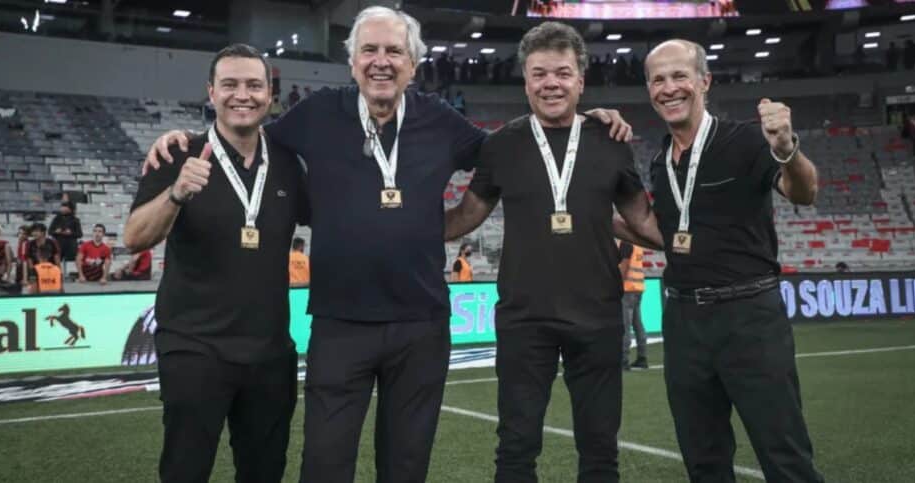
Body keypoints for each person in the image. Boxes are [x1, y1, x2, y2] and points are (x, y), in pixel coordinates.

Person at [142, 8, 632, 482]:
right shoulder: (316, 114)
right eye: (369, 49)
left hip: (420, 327)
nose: (382, 60)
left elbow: (516, 149)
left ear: (413, 64)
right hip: (339, 323)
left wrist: (585, 121)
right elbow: (243, 130)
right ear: (352, 61)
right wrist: (185, 137)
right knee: (326, 465)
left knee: (405, 467)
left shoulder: (440, 119)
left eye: (394, 50)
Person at [444, 22, 660, 483]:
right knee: (517, 447)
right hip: (525, 317)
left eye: (562, 73)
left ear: (581, 81)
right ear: (525, 81)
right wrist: (399, 229)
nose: (551, 83)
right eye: (539, 73)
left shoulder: (611, 140)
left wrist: (704, 240)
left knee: (600, 449)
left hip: (599, 312)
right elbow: (466, 216)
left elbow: (642, 221)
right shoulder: (501, 145)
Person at [123, 43, 309, 482]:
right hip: (194, 346)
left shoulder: (285, 162)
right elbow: (134, 238)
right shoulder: (177, 153)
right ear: (211, 92)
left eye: (253, 85)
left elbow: (337, 217)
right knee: (186, 470)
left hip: (269, 351)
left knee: (265, 472)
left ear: (269, 94)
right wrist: (176, 194)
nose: (241, 94)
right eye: (229, 84)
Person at [643, 39, 824, 482]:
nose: (669, 88)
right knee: (703, 460)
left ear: (704, 81)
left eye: (679, 75)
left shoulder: (746, 139)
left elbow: (804, 192)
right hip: (683, 319)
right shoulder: (658, 162)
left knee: (784, 455)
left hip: (749, 317)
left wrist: (785, 146)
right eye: (658, 80)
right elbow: (667, 235)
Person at [618, 239, 648, 370]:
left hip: (627, 289)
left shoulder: (626, 243)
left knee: (625, 326)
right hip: (638, 288)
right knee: (638, 324)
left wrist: (616, 285)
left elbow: (624, 266)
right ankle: (642, 357)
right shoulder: (638, 244)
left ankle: (623, 360)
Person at [48, 201, 82, 270]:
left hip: (70, 246)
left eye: (64, 207)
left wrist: (71, 233)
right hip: (58, 245)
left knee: (71, 263)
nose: (62, 208)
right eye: (62, 207)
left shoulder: (75, 220)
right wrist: (56, 232)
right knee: (55, 263)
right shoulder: (56, 219)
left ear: (70, 209)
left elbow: (80, 234)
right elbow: (50, 232)